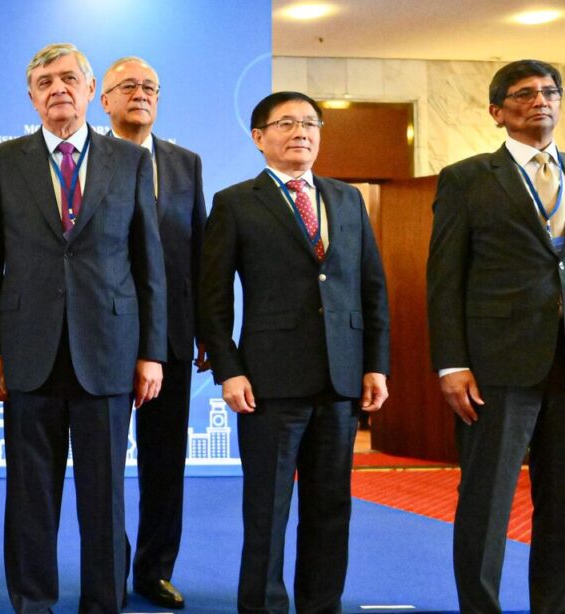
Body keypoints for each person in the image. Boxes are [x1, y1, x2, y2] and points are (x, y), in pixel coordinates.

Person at [0, 43, 166, 614]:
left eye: (68, 79)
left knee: (104, 497)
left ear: (89, 91)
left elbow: (147, 264)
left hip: (108, 350)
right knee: (30, 496)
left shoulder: (130, 161)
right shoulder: (3, 162)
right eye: (44, 82)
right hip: (28, 351)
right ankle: (34, 601)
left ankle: (103, 603)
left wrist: (151, 352)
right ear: (31, 96)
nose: (58, 89)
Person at [428, 59, 565, 613]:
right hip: (496, 368)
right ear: (497, 112)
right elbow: (445, 280)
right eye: (523, 94)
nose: (540, 100)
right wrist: (451, 364)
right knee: (486, 502)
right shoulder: (467, 178)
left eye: (549, 91)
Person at [199, 90, 391, 614]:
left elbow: (371, 286)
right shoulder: (235, 201)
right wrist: (228, 371)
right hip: (269, 381)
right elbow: (211, 299)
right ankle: (262, 605)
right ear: (259, 138)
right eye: (286, 123)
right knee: (269, 506)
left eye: (310, 122)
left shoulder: (346, 198)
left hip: (342, 378)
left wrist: (376, 364)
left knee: (332, 506)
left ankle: (320, 603)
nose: (301, 131)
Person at [98, 55, 205, 611]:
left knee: (165, 463)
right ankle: (109, 568)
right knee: (105, 464)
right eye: (127, 86)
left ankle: (155, 570)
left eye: (149, 87)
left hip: (172, 336)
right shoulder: (89, 159)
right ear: (105, 100)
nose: (140, 94)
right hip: (107, 335)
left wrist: (209, 330)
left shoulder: (185, 163)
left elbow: (200, 253)